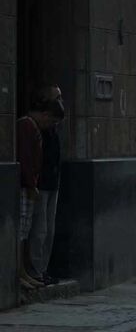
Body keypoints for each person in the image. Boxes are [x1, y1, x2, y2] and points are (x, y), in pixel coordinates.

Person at [16, 85, 65, 290]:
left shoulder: (48, 129)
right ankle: (29, 270)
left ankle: (37, 271)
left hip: (48, 182)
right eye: (57, 98)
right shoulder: (28, 126)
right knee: (33, 230)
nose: (61, 100)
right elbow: (27, 158)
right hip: (36, 185)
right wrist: (32, 183)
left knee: (41, 229)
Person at [29, 117, 63, 286]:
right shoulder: (39, 131)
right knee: (40, 229)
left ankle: (42, 269)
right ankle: (36, 270)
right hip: (41, 185)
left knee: (49, 229)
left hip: (52, 184)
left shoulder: (54, 133)